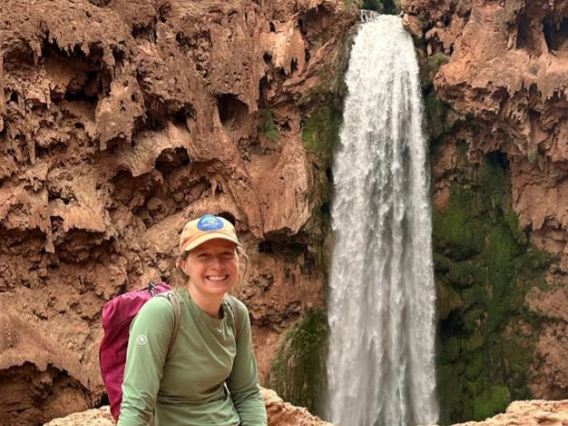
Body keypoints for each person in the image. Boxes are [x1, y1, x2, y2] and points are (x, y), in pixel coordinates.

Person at [118, 214, 268, 426]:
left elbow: (247, 394)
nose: (217, 265)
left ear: (238, 259)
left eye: (226, 254)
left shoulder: (237, 313)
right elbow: (137, 406)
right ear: (183, 265)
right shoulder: (161, 314)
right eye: (203, 255)